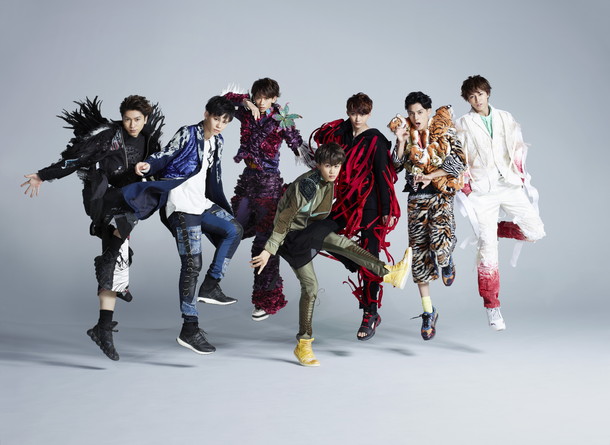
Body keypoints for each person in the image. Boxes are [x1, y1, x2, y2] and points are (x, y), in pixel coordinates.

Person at [21, 95, 164, 360]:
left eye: (137, 119)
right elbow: (76, 160)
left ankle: (103, 326)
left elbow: (160, 164)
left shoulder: (149, 140)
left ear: (145, 119)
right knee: (118, 250)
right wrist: (42, 175)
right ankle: (113, 272)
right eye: (127, 119)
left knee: (117, 260)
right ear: (121, 118)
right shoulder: (109, 136)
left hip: (129, 199)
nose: (132, 125)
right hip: (104, 198)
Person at [250, 143, 411, 366]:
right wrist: (269, 250)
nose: (333, 170)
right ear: (319, 165)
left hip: (306, 232)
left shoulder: (329, 182)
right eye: (328, 166)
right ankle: (387, 273)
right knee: (318, 274)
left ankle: (303, 345)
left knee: (311, 287)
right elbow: (286, 217)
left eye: (337, 166)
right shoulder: (308, 185)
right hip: (290, 237)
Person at [123, 96, 243, 355]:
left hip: (200, 203)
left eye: (225, 121)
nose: (219, 125)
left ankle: (211, 285)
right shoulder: (188, 133)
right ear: (206, 114)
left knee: (234, 229)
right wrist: (149, 165)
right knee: (192, 264)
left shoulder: (219, 141)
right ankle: (189, 327)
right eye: (216, 118)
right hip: (179, 205)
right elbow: (166, 154)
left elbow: (213, 175)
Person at [456, 75, 545, 331]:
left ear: (487, 93)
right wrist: (467, 189)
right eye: (472, 96)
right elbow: (459, 159)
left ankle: (493, 231)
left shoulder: (505, 117)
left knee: (535, 231)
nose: (477, 99)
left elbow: (517, 148)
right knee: (487, 250)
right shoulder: (462, 124)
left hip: (509, 184)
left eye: (480, 94)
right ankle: (492, 307)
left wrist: (520, 174)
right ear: (467, 99)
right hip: (482, 191)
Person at [310, 93, 400, 341]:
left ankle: (370, 313)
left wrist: (387, 210)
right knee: (316, 233)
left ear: (369, 113)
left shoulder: (376, 140)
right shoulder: (342, 134)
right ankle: (354, 261)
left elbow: (383, 175)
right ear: (347, 112)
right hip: (345, 204)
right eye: (353, 113)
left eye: (362, 113)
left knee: (371, 257)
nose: (357, 118)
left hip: (371, 206)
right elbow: (322, 147)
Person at [223, 78, 311, 321]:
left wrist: (324, 170)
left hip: (269, 186)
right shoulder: (247, 112)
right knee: (232, 227)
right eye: (258, 96)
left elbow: (299, 148)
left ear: (274, 98)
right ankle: (213, 282)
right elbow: (222, 100)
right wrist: (245, 101)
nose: (261, 102)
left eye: (266, 97)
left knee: (263, 243)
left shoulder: (281, 120)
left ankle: (266, 300)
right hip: (247, 180)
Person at [391, 91, 466, 340]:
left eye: (420, 112)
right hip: (416, 199)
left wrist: (430, 176)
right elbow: (394, 167)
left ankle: (447, 259)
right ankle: (428, 312)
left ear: (429, 111)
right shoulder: (406, 133)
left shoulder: (444, 132)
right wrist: (400, 141)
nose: (416, 117)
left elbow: (460, 162)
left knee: (440, 246)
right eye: (411, 113)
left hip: (440, 194)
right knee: (419, 257)